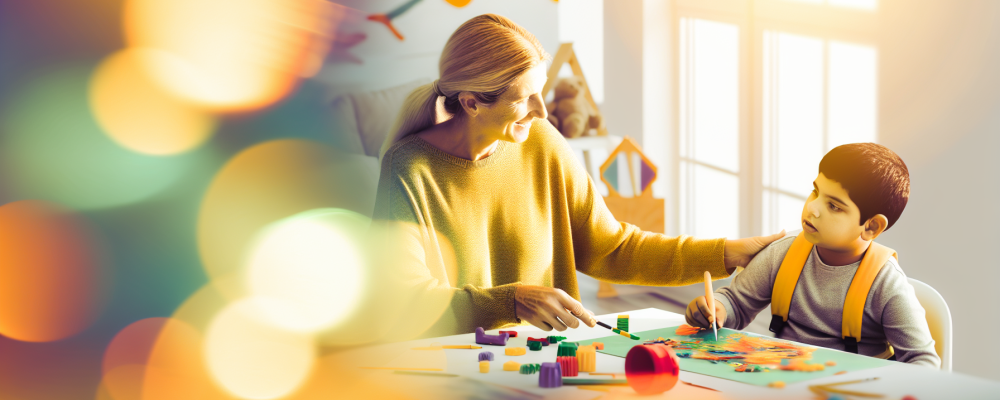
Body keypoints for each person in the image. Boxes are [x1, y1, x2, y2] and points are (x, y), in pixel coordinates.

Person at [373, 14, 783, 336]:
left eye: (542, 91)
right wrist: (512, 301)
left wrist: (726, 252)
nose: (542, 110)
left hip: (547, 361)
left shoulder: (541, 141)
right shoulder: (410, 169)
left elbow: (611, 248)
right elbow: (406, 300)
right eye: (525, 98)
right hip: (455, 371)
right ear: (472, 102)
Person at [685, 143, 940, 367]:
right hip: (784, 382)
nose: (813, 208)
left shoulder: (886, 284)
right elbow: (736, 304)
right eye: (815, 191)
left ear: (871, 226)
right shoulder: (783, 252)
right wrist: (716, 308)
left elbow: (922, 360)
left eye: (834, 206)